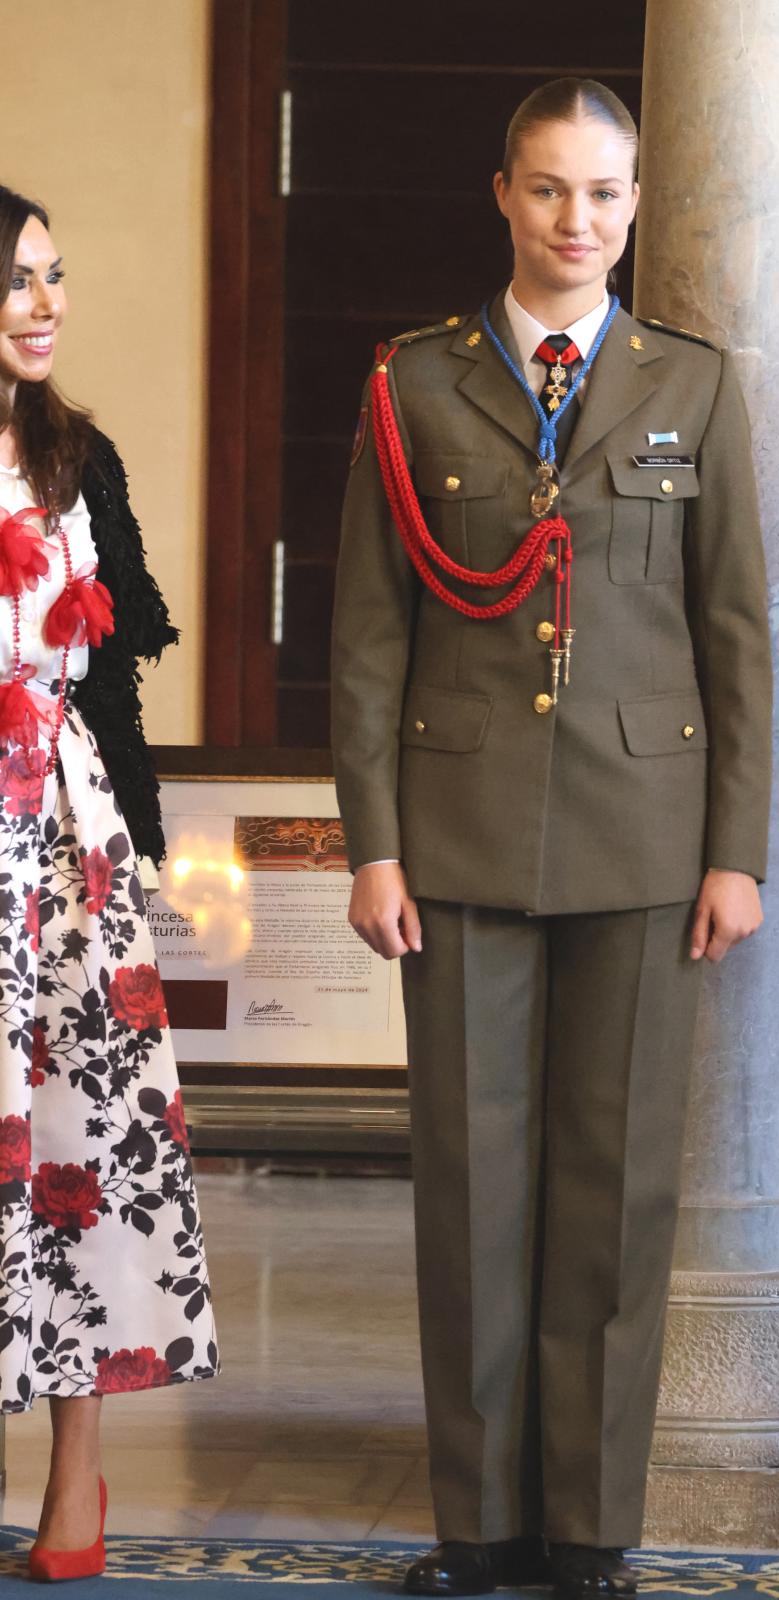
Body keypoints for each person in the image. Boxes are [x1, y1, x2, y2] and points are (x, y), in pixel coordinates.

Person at [332, 79, 772, 1599]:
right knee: (469, 1193)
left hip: (645, 840)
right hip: (452, 841)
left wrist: (737, 852)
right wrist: (371, 845)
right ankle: (478, 1533)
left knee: (614, 1192)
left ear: (634, 205)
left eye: (600, 194)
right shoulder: (411, 382)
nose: (573, 221)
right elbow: (368, 641)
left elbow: (734, 636)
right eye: (544, 190)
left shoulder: (691, 386)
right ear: (500, 195)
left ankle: (586, 1534)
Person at [0, 185, 218, 1582]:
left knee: (84, 1147)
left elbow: (121, 672)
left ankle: (78, 1489)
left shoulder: (80, 456)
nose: (44, 303)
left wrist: (135, 850)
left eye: (53, 276)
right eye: (15, 281)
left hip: (63, 842)